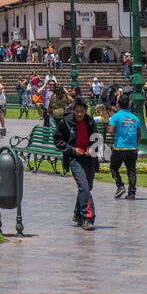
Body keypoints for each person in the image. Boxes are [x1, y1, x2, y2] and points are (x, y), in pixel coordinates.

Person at [54, 98, 98, 230]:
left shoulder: (90, 121)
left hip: (88, 158)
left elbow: (96, 138)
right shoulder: (65, 122)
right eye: (77, 111)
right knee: (83, 187)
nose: (80, 114)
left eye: (82, 111)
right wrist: (72, 150)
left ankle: (77, 213)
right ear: (73, 111)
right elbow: (57, 140)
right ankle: (87, 218)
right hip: (74, 159)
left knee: (87, 187)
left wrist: (91, 148)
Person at [107, 95, 139, 200]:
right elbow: (139, 134)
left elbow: (111, 131)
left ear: (118, 105)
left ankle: (120, 186)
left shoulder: (116, 116)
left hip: (120, 148)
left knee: (113, 167)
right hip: (132, 148)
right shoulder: (135, 118)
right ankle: (132, 193)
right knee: (131, 170)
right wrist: (136, 145)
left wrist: (110, 128)